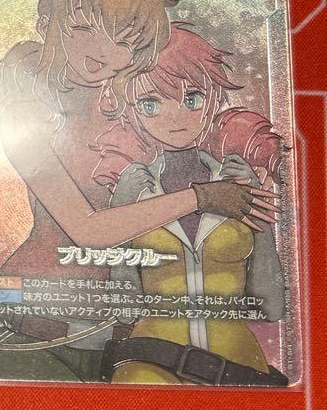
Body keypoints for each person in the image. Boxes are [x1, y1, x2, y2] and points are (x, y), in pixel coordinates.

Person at [0, 0, 277, 381]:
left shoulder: (137, 98)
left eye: (124, 40)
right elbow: (87, 230)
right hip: (23, 327)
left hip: (117, 340)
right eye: (82, 28)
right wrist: (201, 198)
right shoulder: (26, 105)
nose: (102, 52)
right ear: (46, 22)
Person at [92, 27, 287, 385]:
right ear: (132, 112)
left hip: (236, 363)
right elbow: (124, 307)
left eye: (192, 98)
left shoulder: (237, 180)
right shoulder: (136, 191)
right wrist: (120, 215)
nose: (175, 118)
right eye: (151, 104)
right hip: (149, 362)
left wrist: (258, 212)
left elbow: (271, 304)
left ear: (213, 99)